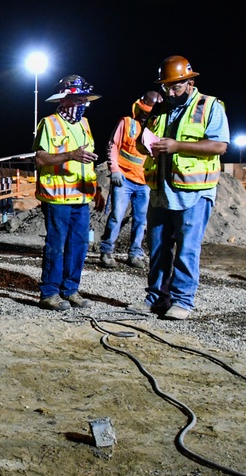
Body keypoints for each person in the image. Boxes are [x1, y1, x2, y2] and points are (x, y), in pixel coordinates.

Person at [130, 56, 229, 320]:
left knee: (187, 248)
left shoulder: (210, 106)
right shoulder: (161, 108)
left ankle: (183, 301)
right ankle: (156, 298)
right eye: (166, 87)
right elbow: (143, 142)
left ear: (190, 82)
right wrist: (145, 144)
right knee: (159, 248)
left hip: (194, 192)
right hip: (161, 190)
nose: (170, 92)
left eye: (176, 86)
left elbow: (219, 146)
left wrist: (176, 146)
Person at [33, 75, 104, 311]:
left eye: (85, 100)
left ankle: (70, 290)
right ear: (65, 100)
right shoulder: (49, 123)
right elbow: (41, 158)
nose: (83, 104)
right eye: (79, 99)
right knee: (56, 244)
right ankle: (49, 293)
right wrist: (69, 155)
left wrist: (97, 189)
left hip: (81, 197)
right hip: (57, 198)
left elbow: (88, 160)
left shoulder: (84, 124)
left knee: (79, 245)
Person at [99, 91, 162, 269]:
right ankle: (106, 251)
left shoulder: (157, 130)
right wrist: (114, 169)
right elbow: (113, 145)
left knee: (141, 220)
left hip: (145, 182)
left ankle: (135, 254)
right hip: (124, 179)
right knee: (117, 216)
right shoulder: (126, 123)